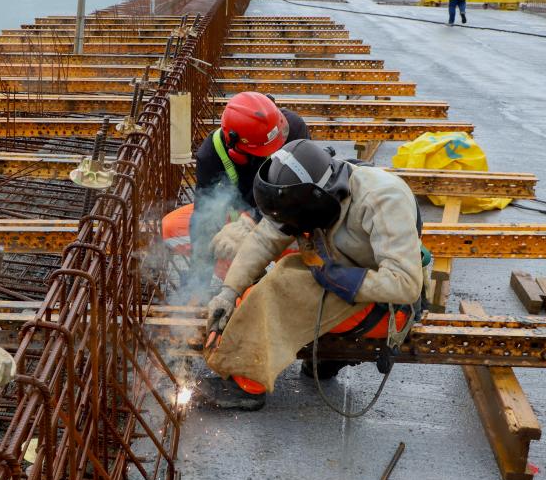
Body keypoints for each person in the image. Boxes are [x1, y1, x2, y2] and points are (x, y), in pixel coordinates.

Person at [196, 140, 429, 411]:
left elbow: (406, 284)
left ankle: (247, 387)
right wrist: (228, 293)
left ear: (316, 199)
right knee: (271, 279)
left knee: (278, 288)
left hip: (388, 310)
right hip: (345, 275)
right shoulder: (318, 188)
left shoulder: (384, 199)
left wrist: (341, 280)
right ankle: (326, 360)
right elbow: (264, 240)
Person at [161, 92, 309, 280]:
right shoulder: (211, 154)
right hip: (237, 218)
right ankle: (243, 280)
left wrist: (251, 222)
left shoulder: (292, 130)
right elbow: (202, 217)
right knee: (171, 228)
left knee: (306, 237)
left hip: (284, 217)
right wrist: (199, 280)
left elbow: (300, 195)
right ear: (236, 147)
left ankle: (289, 283)